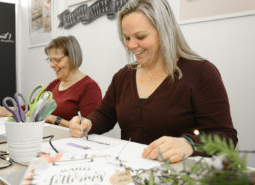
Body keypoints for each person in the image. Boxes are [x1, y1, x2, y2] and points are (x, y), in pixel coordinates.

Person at [69, 0, 237, 163]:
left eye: (140, 36)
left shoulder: (201, 73)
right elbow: (105, 115)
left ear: (165, 31)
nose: (131, 45)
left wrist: (189, 143)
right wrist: (87, 123)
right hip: (129, 171)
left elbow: (226, 136)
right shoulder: (123, 76)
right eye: (127, 38)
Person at [0, 35, 102, 127]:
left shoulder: (89, 87)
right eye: (50, 60)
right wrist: (2, 110)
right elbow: (31, 109)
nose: (52, 65)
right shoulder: (55, 84)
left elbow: (88, 128)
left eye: (57, 60)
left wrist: (54, 119)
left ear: (73, 57)